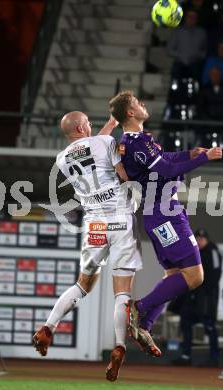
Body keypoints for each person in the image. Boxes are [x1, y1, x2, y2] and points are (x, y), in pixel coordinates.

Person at [108, 90, 222, 356]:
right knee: (195, 277)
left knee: (174, 275)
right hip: (163, 213)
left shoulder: (139, 141)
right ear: (131, 113)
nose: (143, 104)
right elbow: (168, 171)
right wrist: (204, 158)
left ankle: (144, 324)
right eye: (138, 102)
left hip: (161, 212)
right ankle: (139, 308)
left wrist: (189, 153)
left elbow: (167, 160)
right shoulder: (135, 143)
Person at [32, 112, 143, 382]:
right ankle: (119, 346)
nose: (92, 127)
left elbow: (90, 146)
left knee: (83, 285)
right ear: (82, 127)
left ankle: (48, 326)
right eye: (89, 124)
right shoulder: (105, 143)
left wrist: (111, 123)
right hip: (119, 218)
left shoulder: (61, 158)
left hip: (94, 224)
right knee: (122, 293)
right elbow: (122, 173)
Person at [171, 229, 222, 366]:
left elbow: (214, 277)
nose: (199, 241)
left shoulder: (213, 252)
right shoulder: (192, 252)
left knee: (209, 327)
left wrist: (202, 292)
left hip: (206, 299)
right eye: (197, 238)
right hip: (191, 296)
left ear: (207, 240)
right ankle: (186, 355)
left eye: (202, 239)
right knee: (185, 323)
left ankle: (214, 358)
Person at [167, 8, 207, 80]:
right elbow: (169, 49)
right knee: (175, 82)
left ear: (197, 19)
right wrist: (181, 55)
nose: (191, 19)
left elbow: (205, 51)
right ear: (185, 18)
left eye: (194, 17)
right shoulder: (178, 31)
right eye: (189, 16)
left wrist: (197, 55)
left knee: (197, 79)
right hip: (179, 63)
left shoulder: (202, 32)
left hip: (194, 64)